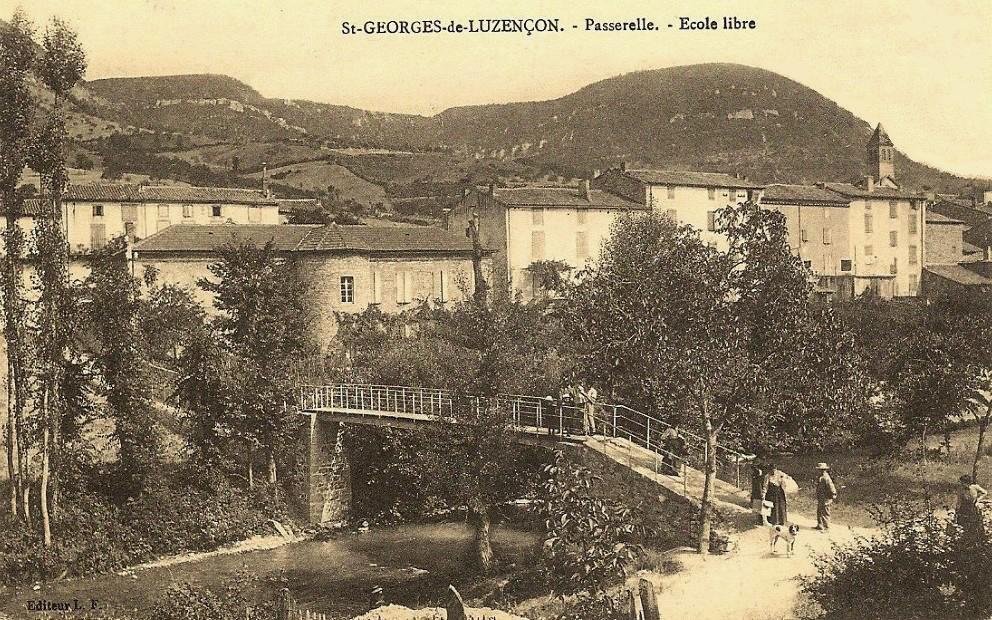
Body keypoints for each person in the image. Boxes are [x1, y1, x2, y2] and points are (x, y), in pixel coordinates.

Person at [955, 474, 989, 542]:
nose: (962, 484)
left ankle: (976, 539)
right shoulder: (961, 489)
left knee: (974, 523)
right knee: (963, 523)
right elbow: (959, 501)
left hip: (973, 507)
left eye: (963, 483)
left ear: (967, 483)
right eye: (961, 483)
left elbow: (985, 492)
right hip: (964, 508)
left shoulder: (974, 487)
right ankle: (964, 538)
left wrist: (978, 500)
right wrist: (957, 510)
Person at [815, 462, 837, 531]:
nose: (820, 471)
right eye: (819, 470)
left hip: (826, 498)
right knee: (819, 511)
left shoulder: (826, 477)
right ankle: (820, 525)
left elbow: (831, 487)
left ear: (824, 470)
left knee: (825, 512)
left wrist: (833, 494)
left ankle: (826, 527)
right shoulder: (821, 477)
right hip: (821, 497)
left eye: (822, 470)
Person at [751, 461, 770, 525]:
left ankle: (759, 520)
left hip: (757, 492)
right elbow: (759, 486)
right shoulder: (759, 476)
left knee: (757, 506)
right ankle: (763, 520)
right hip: (759, 492)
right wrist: (762, 493)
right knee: (761, 505)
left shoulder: (756, 475)